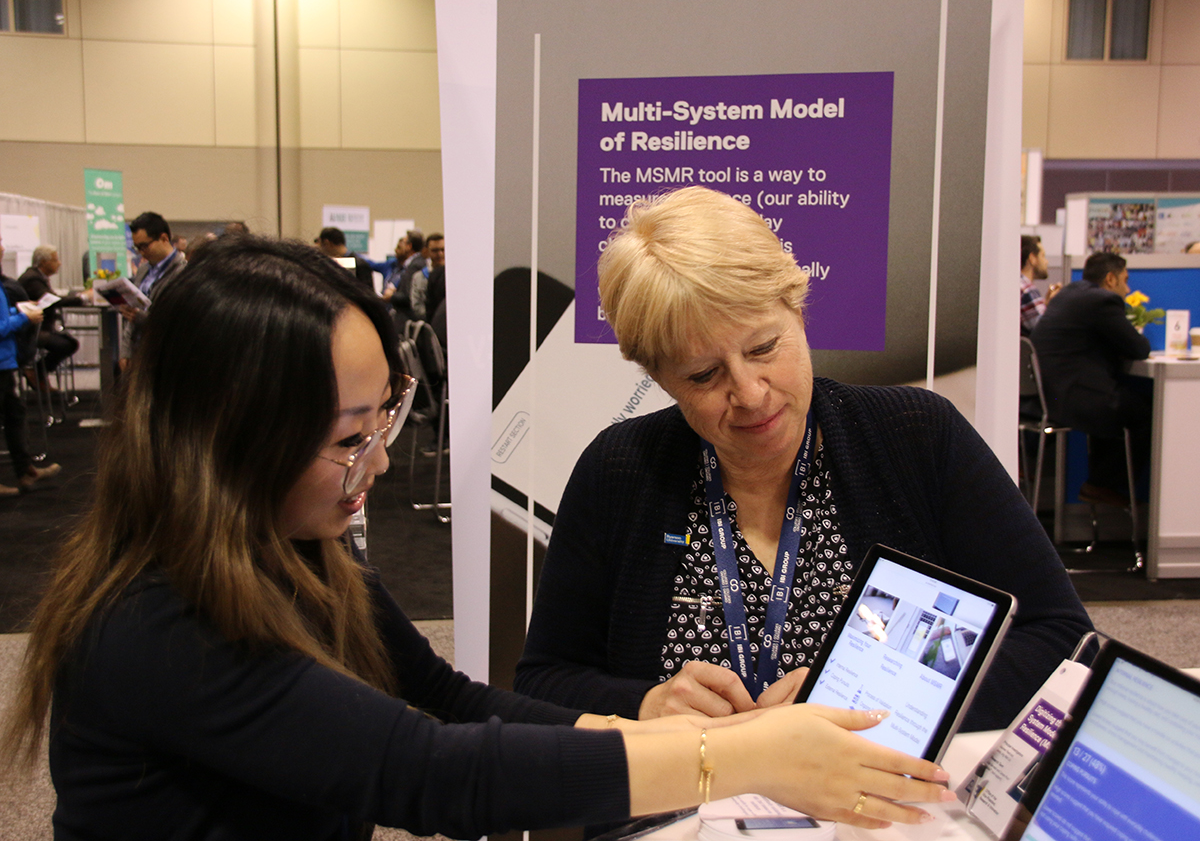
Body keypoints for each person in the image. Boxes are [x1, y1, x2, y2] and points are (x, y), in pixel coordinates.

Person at [0, 236, 956, 838]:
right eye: (348, 439)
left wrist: (673, 732)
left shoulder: (305, 563)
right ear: (226, 444)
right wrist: (739, 757)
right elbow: (428, 773)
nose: (378, 460)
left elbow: (448, 701)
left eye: (387, 418)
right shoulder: (160, 625)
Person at [515, 187, 1092, 732]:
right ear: (659, 379)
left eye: (764, 347)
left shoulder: (914, 437)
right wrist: (642, 705)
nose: (750, 393)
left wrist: (875, 699)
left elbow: (1060, 639)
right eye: (703, 375)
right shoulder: (618, 472)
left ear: (798, 309)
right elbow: (544, 682)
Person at [1031, 252, 1151, 506]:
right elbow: (1138, 348)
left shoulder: (1069, 293)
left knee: (1120, 402)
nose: (1128, 289)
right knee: (1147, 412)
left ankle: (1100, 484)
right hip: (1073, 397)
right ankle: (1100, 484)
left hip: (1050, 394)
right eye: (1125, 280)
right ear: (1110, 279)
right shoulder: (1102, 301)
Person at [1, 236, 60, 496]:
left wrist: (21, 313)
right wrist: (23, 319)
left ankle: (26, 471)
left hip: (4, 361)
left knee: (14, 414)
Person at [119, 211, 186, 371]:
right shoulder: (143, 270)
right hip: (138, 351)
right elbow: (132, 315)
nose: (141, 252)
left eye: (144, 246)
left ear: (164, 238)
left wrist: (143, 318)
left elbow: (179, 322)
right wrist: (126, 351)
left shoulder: (184, 273)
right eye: (137, 248)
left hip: (165, 355)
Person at [18, 245, 89, 389]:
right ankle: (36, 371)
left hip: (40, 329)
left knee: (69, 342)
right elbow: (52, 301)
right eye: (55, 260)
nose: (60, 263)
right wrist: (82, 298)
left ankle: (38, 372)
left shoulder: (38, 277)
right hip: (31, 331)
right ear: (43, 262)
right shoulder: (32, 279)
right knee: (67, 344)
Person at [1020, 234, 1060, 335]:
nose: (1046, 262)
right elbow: (1043, 330)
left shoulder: (1020, 285)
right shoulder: (1025, 288)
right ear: (1032, 258)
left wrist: (1047, 304)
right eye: (1043, 256)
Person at [315, 226, 375, 291]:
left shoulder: (360, 265)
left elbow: (368, 294)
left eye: (321, 245)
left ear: (327, 243)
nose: (320, 250)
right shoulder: (331, 263)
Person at [410, 232, 445, 321]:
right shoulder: (419, 277)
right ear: (427, 251)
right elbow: (416, 305)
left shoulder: (453, 276)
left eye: (443, 250)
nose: (440, 254)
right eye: (435, 250)